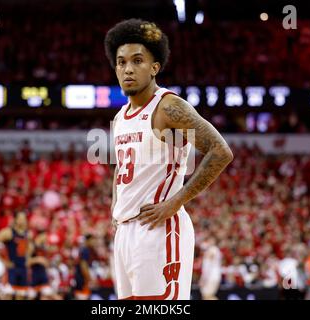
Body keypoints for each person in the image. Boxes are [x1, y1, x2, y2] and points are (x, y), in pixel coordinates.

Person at [104, 19, 233, 300]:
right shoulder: (119, 118)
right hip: (125, 234)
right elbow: (121, 169)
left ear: (154, 67)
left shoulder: (168, 107)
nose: (127, 68)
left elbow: (220, 151)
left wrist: (175, 202)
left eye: (137, 61)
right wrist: (116, 206)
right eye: (121, 62)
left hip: (159, 230)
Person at [0, 211, 31, 299]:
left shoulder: (27, 233)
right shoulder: (9, 232)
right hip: (12, 268)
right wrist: (3, 260)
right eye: (20, 218)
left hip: (23, 268)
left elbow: (27, 250)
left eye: (24, 219)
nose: (23, 221)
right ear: (15, 220)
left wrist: (28, 260)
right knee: (8, 295)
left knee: (21, 295)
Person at [73, 234, 95, 300]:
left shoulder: (85, 249)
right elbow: (83, 265)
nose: (94, 242)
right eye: (92, 240)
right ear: (87, 241)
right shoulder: (85, 250)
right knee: (83, 296)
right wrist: (88, 278)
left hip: (80, 275)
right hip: (81, 277)